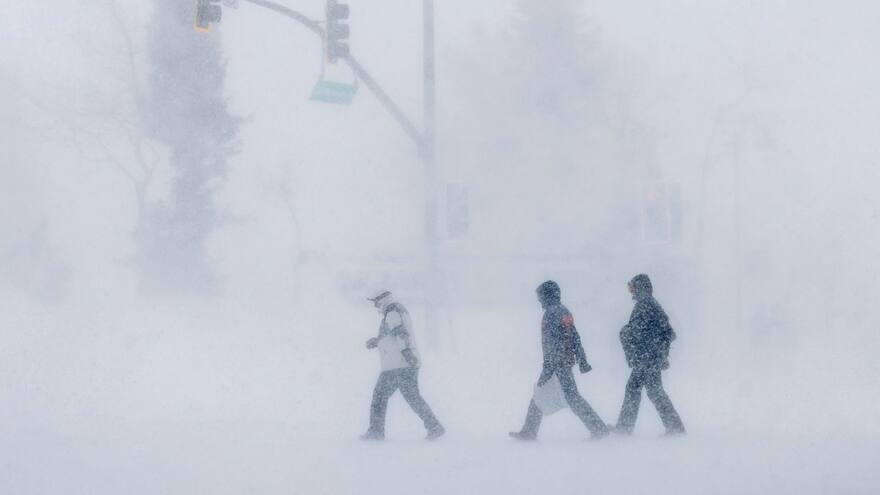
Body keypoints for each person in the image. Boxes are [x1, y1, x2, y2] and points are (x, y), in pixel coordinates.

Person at [509, 281, 609, 441]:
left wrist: (550, 365)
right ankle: (598, 427)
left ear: (547, 296)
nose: (539, 300)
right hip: (563, 361)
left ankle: (598, 428)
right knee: (564, 396)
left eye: (540, 296)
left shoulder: (551, 314)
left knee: (557, 395)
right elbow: (575, 337)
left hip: (556, 362)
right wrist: (582, 359)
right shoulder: (563, 311)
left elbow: (554, 342)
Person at [360, 289, 445, 441]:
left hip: (398, 365)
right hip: (400, 364)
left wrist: (407, 354)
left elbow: (401, 333)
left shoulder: (392, 311)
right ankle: (434, 426)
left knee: (379, 397)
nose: (375, 306)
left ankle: (376, 432)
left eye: (375, 302)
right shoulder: (395, 310)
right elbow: (392, 334)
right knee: (412, 398)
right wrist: (377, 341)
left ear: (383, 299)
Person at [613, 274, 686, 436]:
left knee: (640, 389)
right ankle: (674, 427)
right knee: (651, 390)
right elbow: (667, 332)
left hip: (647, 357)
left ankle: (625, 429)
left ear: (639, 288)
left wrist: (624, 332)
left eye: (632, 287)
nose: (631, 292)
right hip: (650, 356)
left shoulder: (644, 304)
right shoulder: (649, 303)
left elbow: (638, 332)